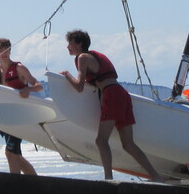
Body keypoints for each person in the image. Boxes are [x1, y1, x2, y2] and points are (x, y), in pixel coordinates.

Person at [60, 29, 164, 182]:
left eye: (70, 43)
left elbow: (79, 86)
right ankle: (155, 176)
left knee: (101, 140)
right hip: (122, 94)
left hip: (112, 95)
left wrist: (66, 74)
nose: (67, 47)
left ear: (79, 44)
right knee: (128, 144)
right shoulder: (96, 56)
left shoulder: (82, 58)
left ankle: (108, 179)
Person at [0, 37, 42, 175]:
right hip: (4, 119)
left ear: (10, 51)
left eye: (6, 50)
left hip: (19, 117)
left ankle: (15, 187)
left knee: (9, 153)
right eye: (1, 50)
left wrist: (27, 90)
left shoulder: (19, 68)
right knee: (16, 155)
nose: (4, 53)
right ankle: (35, 183)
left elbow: (39, 86)